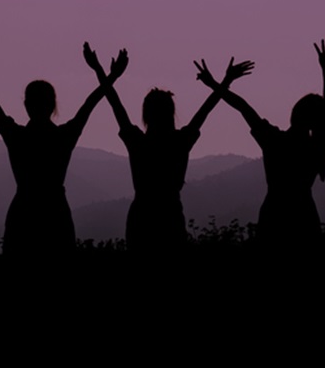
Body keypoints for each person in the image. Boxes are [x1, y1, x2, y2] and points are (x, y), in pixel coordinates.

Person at [0, 41, 122, 263]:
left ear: (26, 104)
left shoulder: (15, 135)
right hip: (55, 215)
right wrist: (105, 74)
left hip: (23, 214)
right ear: (53, 105)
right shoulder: (64, 136)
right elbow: (91, 102)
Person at [85, 43, 249, 257]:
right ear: (171, 113)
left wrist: (103, 72)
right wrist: (224, 82)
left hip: (141, 218)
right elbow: (206, 110)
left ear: (146, 114)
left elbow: (115, 104)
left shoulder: (138, 141)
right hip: (171, 216)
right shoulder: (180, 141)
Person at [196, 42, 325, 244]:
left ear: (295, 114)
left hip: (273, 215)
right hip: (304, 216)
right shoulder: (316, 147)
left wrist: (217, 84)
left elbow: (243, 107)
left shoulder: (274, 140)